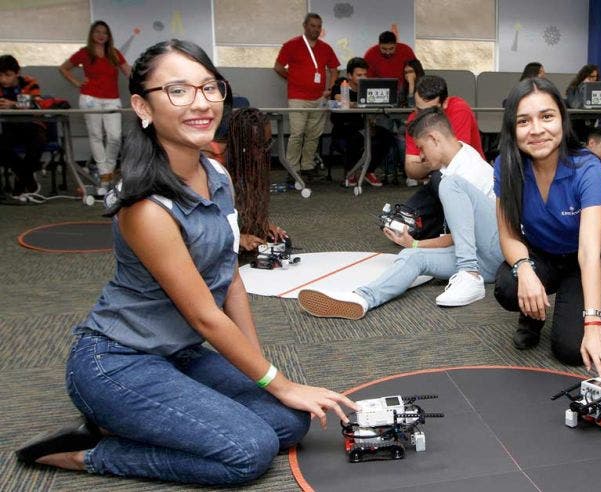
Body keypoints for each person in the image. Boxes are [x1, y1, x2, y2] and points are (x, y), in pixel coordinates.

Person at [15, 40, 356, 485]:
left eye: (209, 88)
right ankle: (90, 452)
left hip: (180, 355)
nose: (201, 103)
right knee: (247, 452)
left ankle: (141, 419)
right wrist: (279, 383)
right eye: (178, 90)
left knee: (290, 424)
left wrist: (261, 373)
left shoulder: (217, 175)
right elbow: (202, 315)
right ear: (143, 105)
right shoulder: (145, 206)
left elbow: (229, 277)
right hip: (117, 362)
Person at [299, 107, 502, 317]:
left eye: (422, 148)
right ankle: (362, 298)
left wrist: (417, 242)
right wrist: (412, 245)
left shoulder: (468, 171)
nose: (421, 156)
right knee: (411, 256)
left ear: (434, 138)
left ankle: (469, 275)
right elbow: (462, 238)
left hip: (498, 250)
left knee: (448, 184)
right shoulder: (457, 157)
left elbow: (461, 238)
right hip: (481, 261)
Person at [493, 77, 601, 375]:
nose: (536, 130)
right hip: (539, 252)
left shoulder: (587, 168)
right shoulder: (506, 165)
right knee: (508, 286)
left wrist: (594, 323)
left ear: (562, 118)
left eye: (547, 117)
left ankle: (558, 306)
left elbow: (589, 254)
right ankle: (532, 315)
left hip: (580, 257)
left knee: (571, 350)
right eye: (523, 121)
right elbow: (508, 232)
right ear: (512, 128)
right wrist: (524, 270)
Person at [59, 21, 131, 196]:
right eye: (97, 32)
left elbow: (129, 72)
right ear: (92, 34)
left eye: (104, 33)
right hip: (90, 99)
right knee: (96, 136)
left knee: (114, 136)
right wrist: (77, 82)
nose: (101, 35)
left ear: (108, 36)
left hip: (112, 100)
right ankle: (104, 174)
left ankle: (109, 170)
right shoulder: (84, 53)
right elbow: (63, 68)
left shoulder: (115, 53)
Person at [274, 13, 339, 181]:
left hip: (319, 98)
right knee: (297, 133)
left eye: (319, 26)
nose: (316, 29)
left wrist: (330, 88)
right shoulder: (292, 44)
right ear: (305, 26)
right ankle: (292, 168)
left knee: (314, 134)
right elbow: (278, 67)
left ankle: (308, 166)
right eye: (312, 26)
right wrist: (293, 78)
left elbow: (334, 69)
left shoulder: (326, 48)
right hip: (298, 97)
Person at [226, 107, 288, 253]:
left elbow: (248, 204)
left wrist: (263, 225)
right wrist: (238, 237)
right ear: (239, 143)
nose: (263, 152)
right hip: (216, 236)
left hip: (238, 229)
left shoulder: (251, 162)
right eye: (256, 145)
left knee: (280, 242)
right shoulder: (215, 167)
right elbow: (203, 225)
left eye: (266, 144)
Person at [329, 57, 392, 187]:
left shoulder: (368, 89)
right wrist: (355, 103)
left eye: (364, 74)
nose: (362, 77)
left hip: (364, 127)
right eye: (359, 75)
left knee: (386, 136)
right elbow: (338, 97)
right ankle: (350, 173)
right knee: (356, 137)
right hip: (344, 129)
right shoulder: (340, 85)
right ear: (349, 75)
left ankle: (369, 170)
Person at [404, 75, 483, 178]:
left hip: (468, 176)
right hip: (440, 176)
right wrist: (429, 165)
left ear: (445, 103)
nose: (422, 115)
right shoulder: (414, 118)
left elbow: (456, 160)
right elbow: (411, 169)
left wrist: (427, 164)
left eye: (430, 111)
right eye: (419, 109)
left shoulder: (459, 110)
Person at [0, 54, 46, 197]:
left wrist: (13, 105)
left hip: (31, 125)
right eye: (0, 75)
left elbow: (36, 104)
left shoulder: (28, 82)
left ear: (17, 73)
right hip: (8, 127)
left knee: (38, 141)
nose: (3, 79)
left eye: (8, 75)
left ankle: (20, 182)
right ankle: (27, 178)